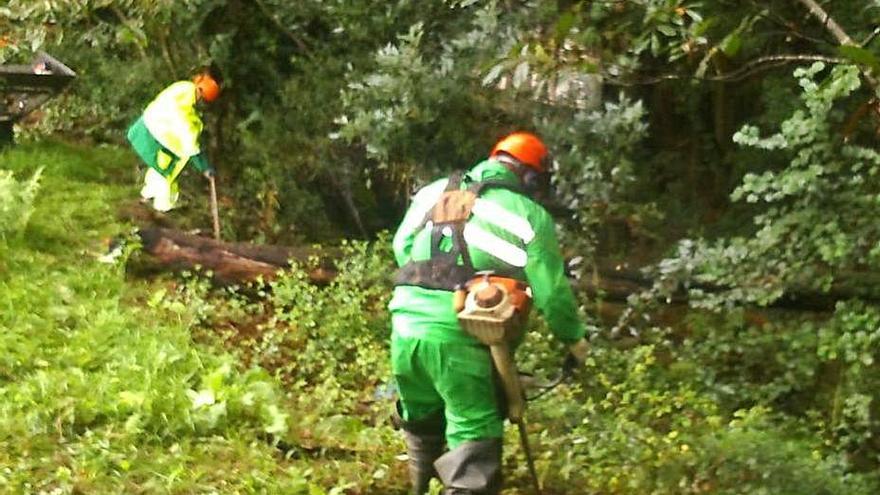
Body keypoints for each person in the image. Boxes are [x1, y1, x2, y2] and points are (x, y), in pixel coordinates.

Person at [389, 131, 590, 494]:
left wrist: (430, 291)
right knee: (474, 437)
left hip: (404, 325)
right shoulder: (529, 215)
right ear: (530, 177)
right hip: (459, 339)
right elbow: (552, 291)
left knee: (422, 420)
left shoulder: (435, 191)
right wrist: (574, 340)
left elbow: (402, 246)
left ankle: (418, 486)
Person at [127, 71, 220, 212]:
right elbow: (191, 147)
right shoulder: (187, 116)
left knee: (158, 171)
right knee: (166, 176)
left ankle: (144, 200)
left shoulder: (182, 87)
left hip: (144, 127)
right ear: (203, 97)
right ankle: (160, 211)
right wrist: (204, 167)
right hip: (159, 142)